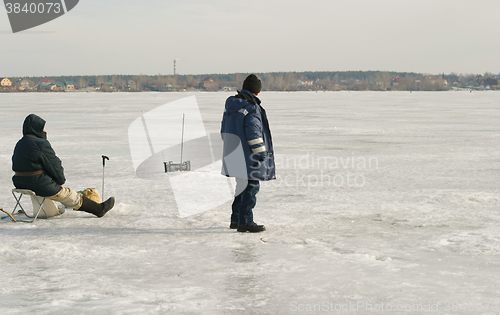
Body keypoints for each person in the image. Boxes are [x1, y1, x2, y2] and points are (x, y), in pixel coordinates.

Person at [12, 114, 115, 218]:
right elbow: (54, 165)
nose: (44, 130)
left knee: (47, 203)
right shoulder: (40, 143)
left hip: (20, 182)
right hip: (38, 183)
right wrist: (59, 181)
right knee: (68, 194)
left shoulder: (20, 143)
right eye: (42, 128)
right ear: (37, 128)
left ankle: (49, 212)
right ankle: (99, 209)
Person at [220, 74, 276, 232]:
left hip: (234, 153)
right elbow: (254, 132)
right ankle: (245, 221)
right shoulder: (251, 107)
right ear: (257, 92)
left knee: (241, 187)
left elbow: (224, 130)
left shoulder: (232, 106)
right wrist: (261, 153)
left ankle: (236, 220)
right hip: (248, 156)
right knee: (251, 188)